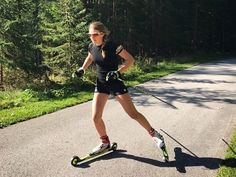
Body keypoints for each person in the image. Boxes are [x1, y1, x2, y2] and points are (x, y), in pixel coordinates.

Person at [75, 21, 166, 154]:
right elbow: (90, 57)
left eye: (94, 34)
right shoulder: (91, 46)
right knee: (95, 117)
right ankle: (105, 143)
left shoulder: (113, 46)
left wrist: (118, 72)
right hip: (101, 85)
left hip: (115, 83)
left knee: (133, 114)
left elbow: (130, 60)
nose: (91, 37)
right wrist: (83, 68)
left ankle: (155, 134)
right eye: (90, 35)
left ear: (102, 34)